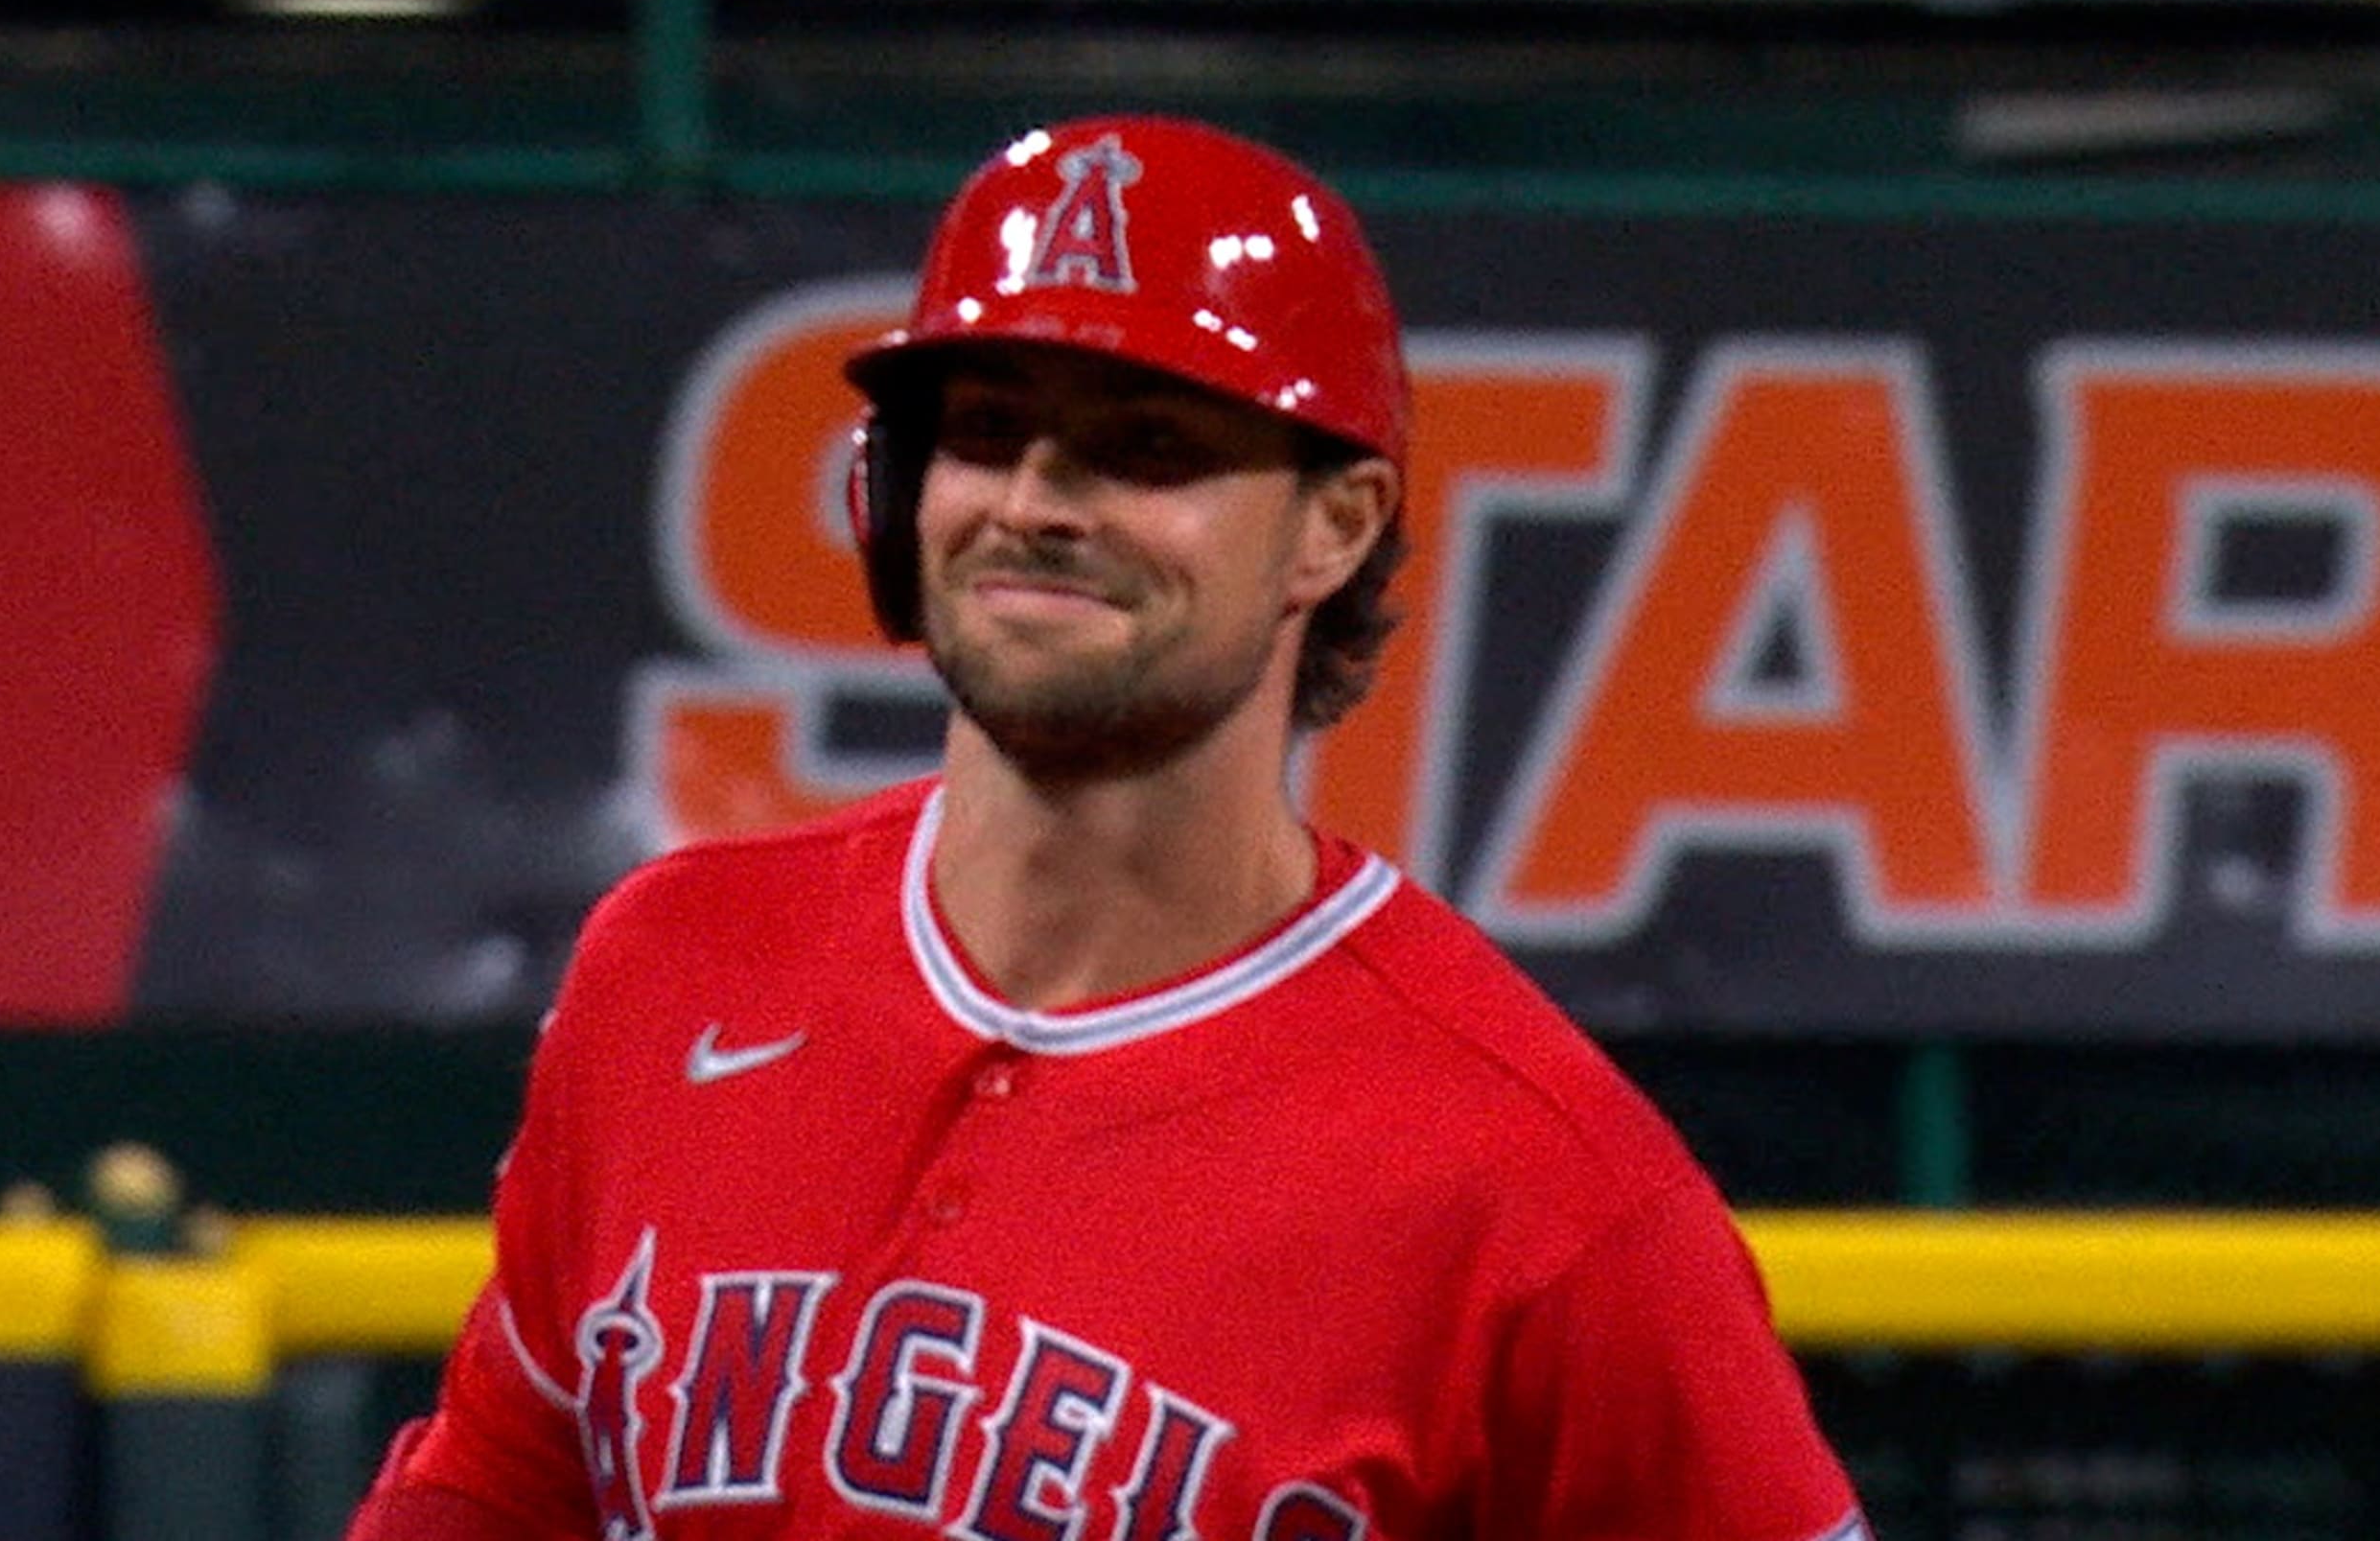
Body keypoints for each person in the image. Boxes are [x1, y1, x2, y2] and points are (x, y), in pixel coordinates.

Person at [347, 113, 1868, 1541]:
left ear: (1335, 527)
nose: (1035, 501)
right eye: (987, 430)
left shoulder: (1539, 1188)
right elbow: (495, 1490)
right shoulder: (674, 963)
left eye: (1146, 449)